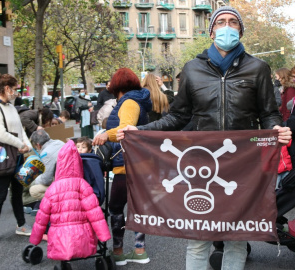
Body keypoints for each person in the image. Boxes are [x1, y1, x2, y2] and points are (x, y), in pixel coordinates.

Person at [117, 6, 291, 270]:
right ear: (211, 32)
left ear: (240, 30)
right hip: (201, 165)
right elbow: (177, 117)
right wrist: (139, 133)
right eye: (221, 22)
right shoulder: (192, 69)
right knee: (198, 239)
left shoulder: (258, 68)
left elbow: (268, 114)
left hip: (244, 166)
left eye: (233, 22)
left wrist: (278, 129)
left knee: (237, 237)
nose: (227, 26)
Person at [92, 67, 152, 266]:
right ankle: (139, 250)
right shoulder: (136, 100)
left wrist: (104, 135)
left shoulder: (128, 102)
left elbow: (125, 128)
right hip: (139, 162)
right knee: (137, 207)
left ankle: (119, 252)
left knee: (116, 207)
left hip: (126, 164)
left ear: (117, 84)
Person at [29, 140, 111, 261]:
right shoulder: (83, 185)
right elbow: (95, 214)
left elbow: (41, 218)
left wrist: (35, 239)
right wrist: (103, 235)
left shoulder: (53, 188)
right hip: (82, 236)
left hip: (59, 238)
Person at [0, 71, 32, 246]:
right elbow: (0, 134)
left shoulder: (11, 107)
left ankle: (21, 225)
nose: (16, 93)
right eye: (15, 89)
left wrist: (26, 145)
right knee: (1, 194)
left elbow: (20, 130)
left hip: (16, 155)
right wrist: (20, 144)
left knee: (17, 192)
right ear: (6, 89)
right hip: (4, 156)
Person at [28, 130, 64, 201]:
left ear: (38, 145)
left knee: (33, 190)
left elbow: (46, 180)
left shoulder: (45, 154)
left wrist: (35, 179)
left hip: (61, 182)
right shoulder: (59, 142)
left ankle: (58, 200)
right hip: (66, 176)